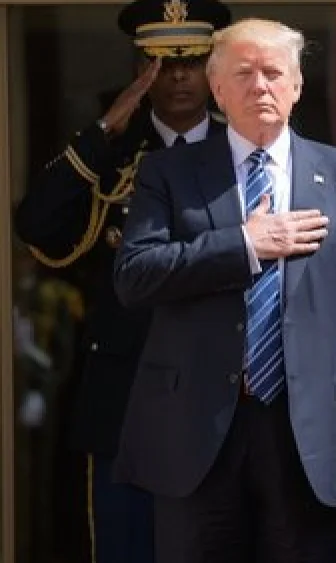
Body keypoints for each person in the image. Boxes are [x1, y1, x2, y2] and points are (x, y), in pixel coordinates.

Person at [111, 17, 336, 562]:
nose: (260, 85)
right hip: (197, 433)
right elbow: (135, 276)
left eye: (273, 73)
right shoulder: (168, 173)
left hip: (309, 434)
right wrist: (245, 244)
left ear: (296, 86)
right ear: (217, 90)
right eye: (243, 74)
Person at [13, 1, 230, 561]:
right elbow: (36, 225)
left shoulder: (247, 154)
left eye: (192, 59)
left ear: (214, 65)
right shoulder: (110, 157)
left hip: (220, 403)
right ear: (141, 68)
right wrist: (106, 129)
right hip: (125, 403)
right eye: (163, 60)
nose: (179, 74)